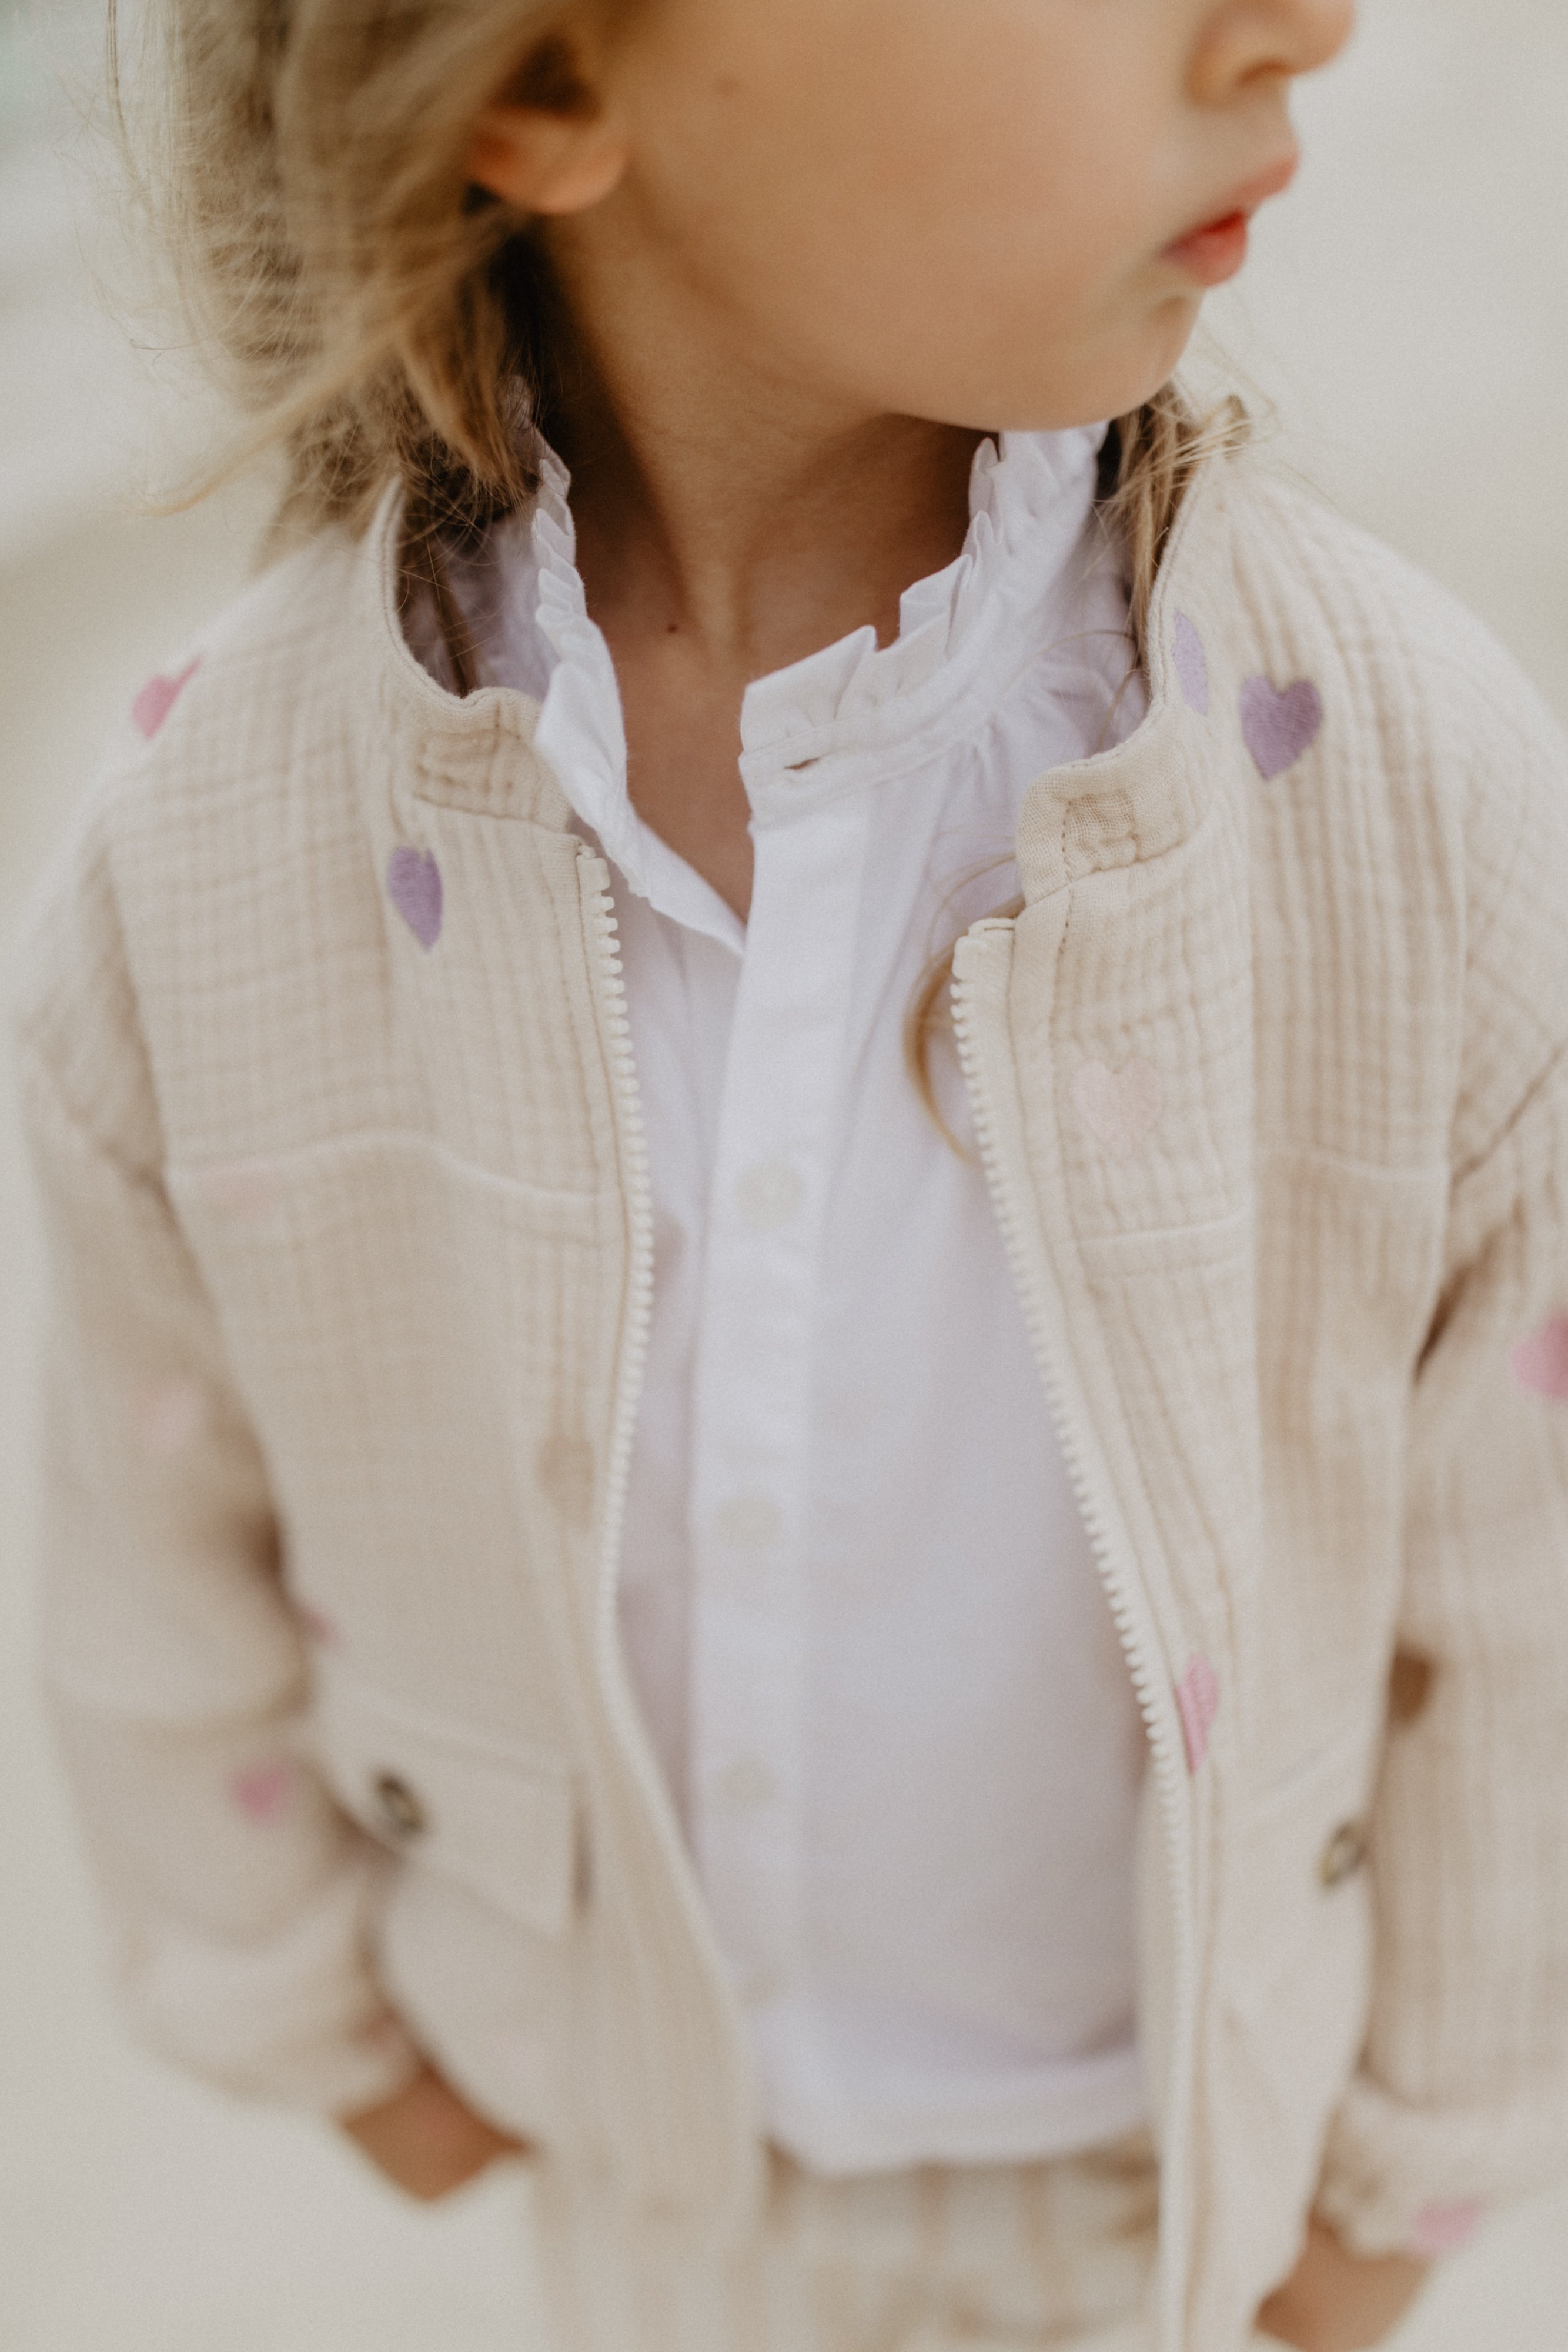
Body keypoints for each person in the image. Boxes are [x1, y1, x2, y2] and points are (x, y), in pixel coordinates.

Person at [12, 1, 1568, 2346]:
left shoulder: (1393, 797)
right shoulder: (214, 842)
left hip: (1190, 2192)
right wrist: (304, 2006)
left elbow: (1521, 1591)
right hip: (657, 2173)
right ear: (539, 83)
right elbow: (153, 1498)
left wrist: (1408, 2174)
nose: (1301, 25)